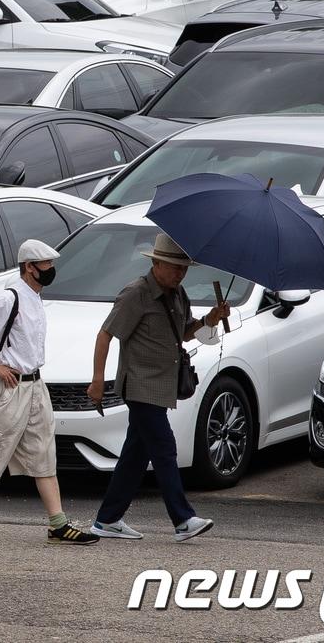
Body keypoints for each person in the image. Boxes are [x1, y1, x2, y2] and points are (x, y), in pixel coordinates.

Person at [0, 239, 98, 545]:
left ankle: (58, 524)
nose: (51, 270)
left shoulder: (36, 298)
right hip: (11, 388)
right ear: (29, 267)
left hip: (36, 386)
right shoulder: (11, 298)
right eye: (46, 265)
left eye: (52, 264)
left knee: (43, 452)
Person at [87, 233, 229, 543]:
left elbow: (187, 333)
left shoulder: (178, 294)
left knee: (135, 455)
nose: (180, 273)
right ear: (156, 263)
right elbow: (105, 335)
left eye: (184, 268)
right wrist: (97, 381)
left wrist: (211, 319)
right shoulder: (135, 294)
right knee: (164, 449)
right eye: (174, 267)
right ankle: (182, 519)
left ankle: (107, 520)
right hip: (139, 385)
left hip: (161, 386)